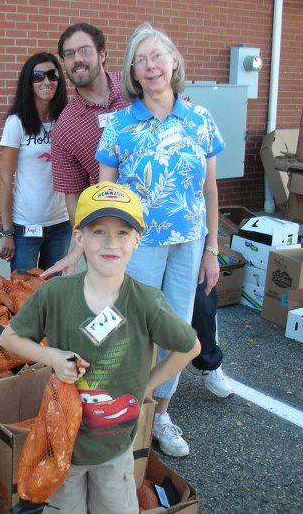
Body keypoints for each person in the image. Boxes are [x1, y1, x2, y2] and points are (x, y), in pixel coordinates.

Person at [0, 182, 200, 514]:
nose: (111, 243)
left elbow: (189, 347)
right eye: (98, 232)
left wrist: (147, 385)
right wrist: (51, 355)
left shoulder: (146, 302)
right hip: (63, 442)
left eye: (123, 232)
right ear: (79, 237)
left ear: (137, 240)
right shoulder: (55, 295)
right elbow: (10, 338)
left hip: (115, 448)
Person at [94, 23, 224, 457]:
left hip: (189, 243)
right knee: (136, 332)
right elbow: (104, 195)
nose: (151, 67)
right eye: (141, 60)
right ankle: (133, 409)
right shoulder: (119, 126)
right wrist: (98, 248)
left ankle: (162, 413)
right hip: (139, 245)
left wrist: (212, 249)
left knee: (177, 330)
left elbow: (209, 189)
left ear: (174, 62)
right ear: (133, 72)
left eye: (157, 56)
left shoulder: (199, 118)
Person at [45, 23, 131, 275]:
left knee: (193, 310)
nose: (77, 60)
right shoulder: (66, 128)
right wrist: (80, 245)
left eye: (84, 50)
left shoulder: (135, 88)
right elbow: (73, 194)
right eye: (69, 54)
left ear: (102, 55)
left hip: (168, 219)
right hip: (117, 235)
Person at [0, 52, 71, 271]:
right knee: (23, 293)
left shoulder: (65, 119)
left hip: (61, 224)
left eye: (52, 75)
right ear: (28, 83)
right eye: (38, 76)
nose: (46, 82)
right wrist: (7, 231)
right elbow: (4, 179)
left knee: (51, 291)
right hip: (26, 226)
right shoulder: (16, 122)